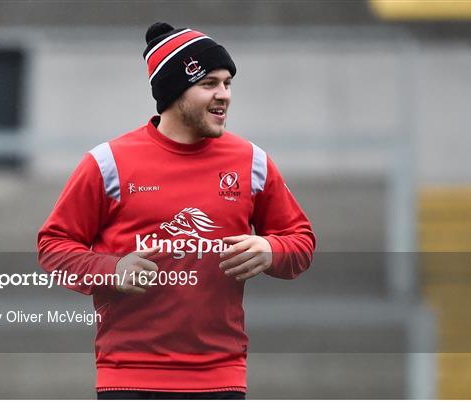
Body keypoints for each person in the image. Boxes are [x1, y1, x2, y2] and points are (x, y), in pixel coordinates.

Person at [38, 22, 316, 400]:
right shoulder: (107, 163)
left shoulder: (252, 162)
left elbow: (301, 241)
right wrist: (111, 269)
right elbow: (54, 246)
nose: (224, 95)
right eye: (209, 84)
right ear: (174, 91)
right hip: (128, 378)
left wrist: (271, 251)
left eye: (227, 83)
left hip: (221, 377)